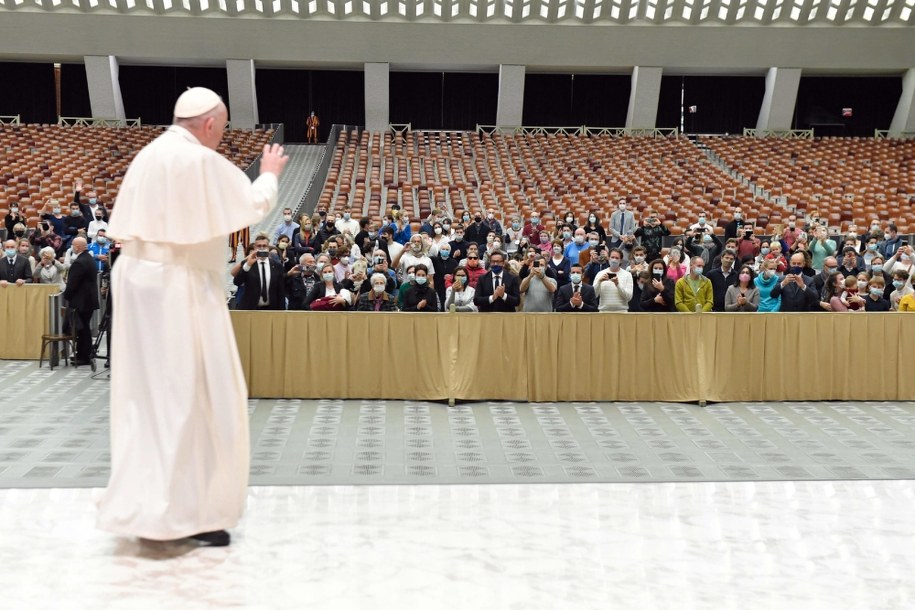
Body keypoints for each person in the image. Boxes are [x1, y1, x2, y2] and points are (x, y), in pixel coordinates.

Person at [97, 88, 288, 547]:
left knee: (145, 397)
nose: (219, 140)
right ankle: (189, 513)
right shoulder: (197, 160)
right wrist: (268, 175)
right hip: (177, 284)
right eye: (221, 130)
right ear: (208, 124)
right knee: (198, 392)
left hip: (137, 277)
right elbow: (251, 204)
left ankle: (148, 506)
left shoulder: (149, 154)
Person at [61, 237, 99, 365]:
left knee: (82, 329)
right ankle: (84, 354)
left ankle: (83, 355)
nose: (72, 247)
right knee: (85, 328)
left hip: (81, 301)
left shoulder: (79, 262)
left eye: (73, 245)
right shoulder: (89, 259)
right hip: (89, 300)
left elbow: (72, 284)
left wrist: (66, 296)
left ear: (78, 246)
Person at [233, 234, 287, 310]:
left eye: (264, 246)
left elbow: (281, 291)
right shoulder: (247, 263)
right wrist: (247, 265)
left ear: (268, 248)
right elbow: (237, 282)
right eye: (259, 246)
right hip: (250, 309)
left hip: (271, 309)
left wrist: (281, 312)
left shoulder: (277, 266)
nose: (262, 248)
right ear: (255, 248)